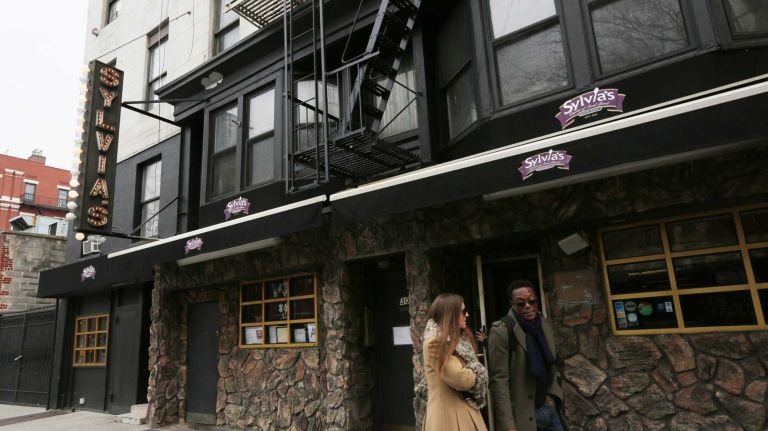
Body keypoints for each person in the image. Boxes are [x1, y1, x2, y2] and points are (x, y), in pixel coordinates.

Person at [488, 280, 565, 431]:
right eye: (521, 303)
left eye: (532, 301)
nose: (528, 306)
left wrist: (553, 395)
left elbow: (554, 363)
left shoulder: (545, 325)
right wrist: (508, 425)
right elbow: (499, 381)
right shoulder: (501, 330)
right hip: (523, 416)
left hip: (549, 409)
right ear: (512, 304)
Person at [421, 293, 488, 431]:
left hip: (462, 414)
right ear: (450, 314)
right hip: (448, 419)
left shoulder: (458, 340)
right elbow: (461, 378)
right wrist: (477, 370)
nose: (467, 315)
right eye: (463, 311)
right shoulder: (435, 342)